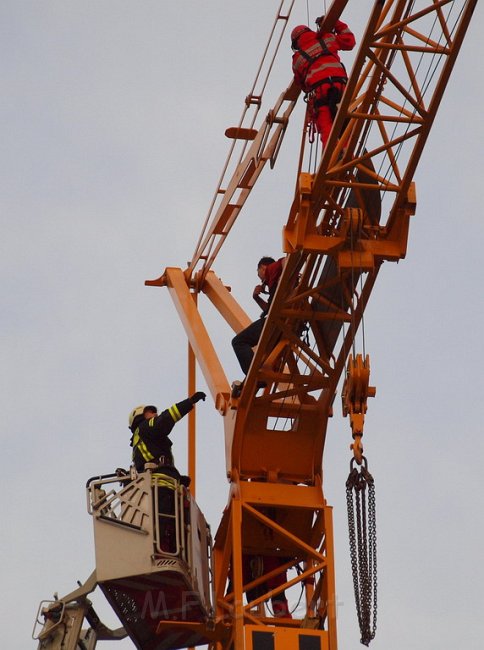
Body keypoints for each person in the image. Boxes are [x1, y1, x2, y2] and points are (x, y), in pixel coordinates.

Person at [128, 393, 206, 552]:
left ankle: (168, 549)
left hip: (163, 484)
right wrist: (189, 402)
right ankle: (166, 549)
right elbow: (166, 419)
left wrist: (178, 478)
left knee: (172, 522)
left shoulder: (142, 441)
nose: (155, 414)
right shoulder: (145, 428)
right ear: (140, 418)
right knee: (168, 522)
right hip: (161, 485)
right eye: (150, 412)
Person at [291, 15, 355, 148]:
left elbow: (302, 84)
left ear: (296, 43)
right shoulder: (327, 38)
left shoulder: (297, 58)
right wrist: (335, 23)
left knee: (326, 127)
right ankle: (349, 152)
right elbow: (349, 41)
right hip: (340, 86)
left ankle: (333, 156)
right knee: (345, 122)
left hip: (319, 92)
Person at [232, 256, 284, 380]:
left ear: (262, 268)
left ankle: (253, 374)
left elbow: (284, 261)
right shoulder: (276, 283)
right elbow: (270, 309)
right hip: (280, 318)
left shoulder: (271, 269)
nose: (262, 280)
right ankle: (259, 373)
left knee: (238, 342)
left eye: (259, 275)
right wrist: (257, 298)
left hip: (275, 321)